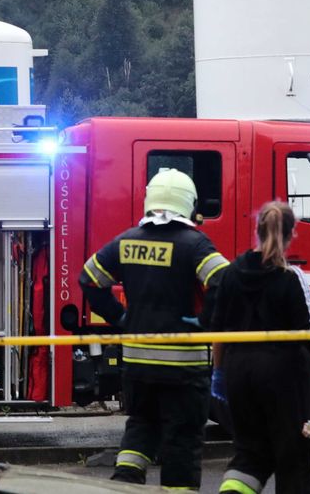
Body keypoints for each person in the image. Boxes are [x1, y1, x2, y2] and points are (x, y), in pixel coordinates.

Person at [79, 167, 230, 491]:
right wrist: (207, 322)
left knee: (141, 426)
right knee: (182, 438)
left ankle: (125, 483)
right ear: (188, 203)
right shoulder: (194, 243)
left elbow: (89, 277)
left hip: (137, 364)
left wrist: (119, 318)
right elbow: (224, 282)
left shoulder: (127, 241)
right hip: (184, 368)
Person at [209, 202, 310, 494]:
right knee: (294, 459)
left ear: (257, 230)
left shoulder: (231, 272)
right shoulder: (291, 278)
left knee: (249, 453)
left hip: (239, 375)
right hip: (282, 379)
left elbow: (220, 332)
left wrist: (219, 374)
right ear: (291, 236)